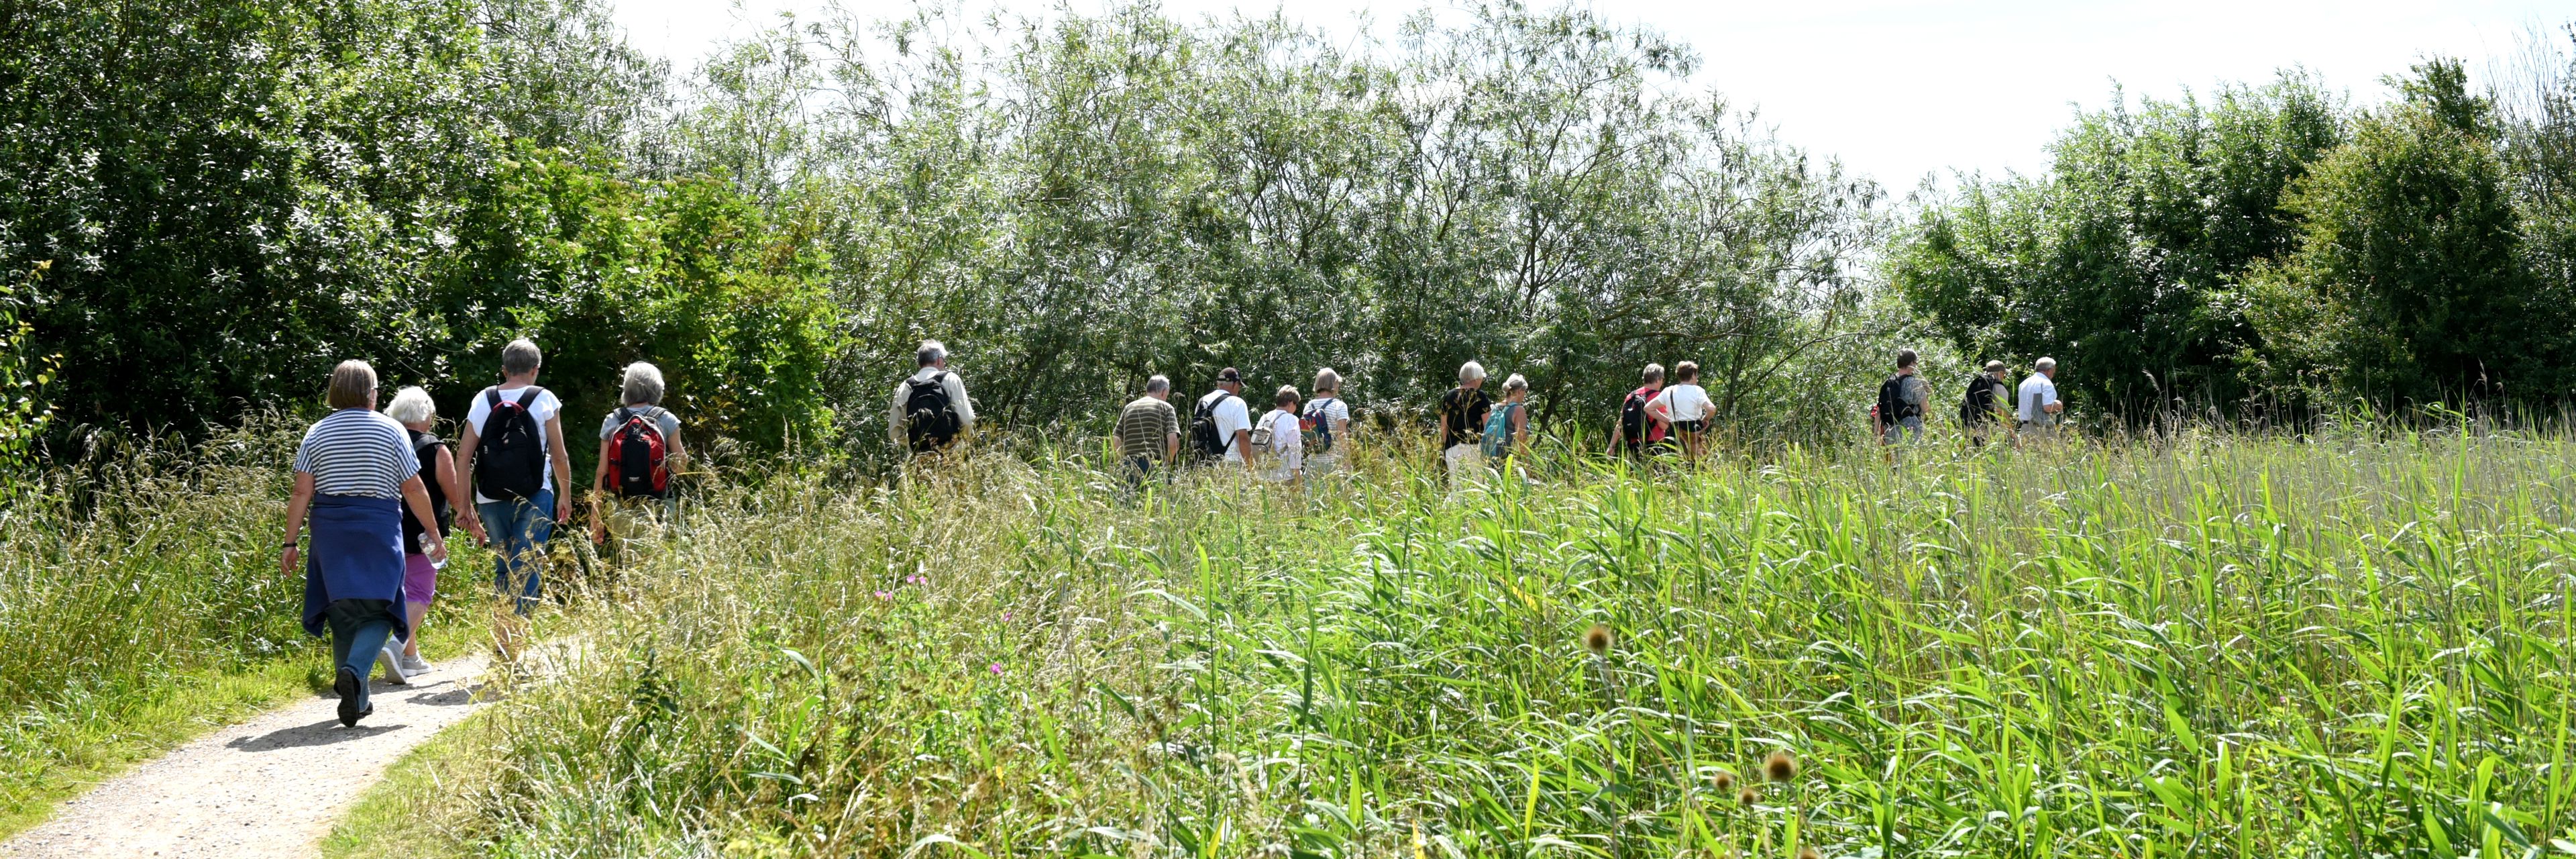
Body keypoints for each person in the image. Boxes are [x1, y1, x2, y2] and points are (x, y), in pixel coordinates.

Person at [280, 360, 449, 727]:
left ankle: (357, 698)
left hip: (330, 529)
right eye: (375, 390)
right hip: (377, 527)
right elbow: (413, 487)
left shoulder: (317, 432)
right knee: (382, 610)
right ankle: (355, 671)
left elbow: (301, 491)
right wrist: (432, 530)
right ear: (369, 394)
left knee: (342, 612)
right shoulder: (391, 431)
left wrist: (289, 543)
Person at [458, 338, 574, 662]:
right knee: (527, 569)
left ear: (505, 369)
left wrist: (464, 507)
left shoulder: (484, 399)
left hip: (490, 498)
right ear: (535, 370)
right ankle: (510, 653)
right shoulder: (544, 399)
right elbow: (560, 456)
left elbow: (463, 456)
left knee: (503, 568)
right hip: (535, 495)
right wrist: (565, 494)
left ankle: (503, 641)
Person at [383, 386, 479, 676]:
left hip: (386, 528)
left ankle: (410, 659)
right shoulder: (435, 448)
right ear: (426, 414)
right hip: (425, 531)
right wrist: (474, 523)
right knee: (421, 592)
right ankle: (396, 645)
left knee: (400, 592)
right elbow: (456, 497)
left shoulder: (386, 442)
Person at [592, 362, 684, 564]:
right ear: (657, 388)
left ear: (627, 389)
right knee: (656, 564)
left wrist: (595, 517)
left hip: (620, 506)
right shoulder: (667, 419)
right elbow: (680, 467)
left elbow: (602, 472)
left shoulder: (612, 420)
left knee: (631, 562)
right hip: (659, 506)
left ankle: (633, 595)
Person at [890, 340, 975, 456]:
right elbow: (966, 420)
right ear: (940, 360)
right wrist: (961, 442)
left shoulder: (905, 387)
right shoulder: (951, 379)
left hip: (919, 458)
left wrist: (914, 445)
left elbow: (894, 432)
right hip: (952, 454)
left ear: (920, 362)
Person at [1114, 374, 1181, 491]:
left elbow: (1116, 440)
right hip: (1155, 466)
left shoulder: (1129, 407)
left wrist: (1125, 461)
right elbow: (1173, 444)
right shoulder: (1167, 408)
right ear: (1164, 392)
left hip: (1129, 466)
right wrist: (1168, 461)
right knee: (1156, 505)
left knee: (1128, 505)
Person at [1191, 368, 1258, 474]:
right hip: (1230, 464)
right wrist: (1250, 468)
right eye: (1239, 386)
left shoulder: (1202, 401)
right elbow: (1243, 439)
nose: (1238, 389)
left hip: (1205, 464)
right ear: (1235, 384)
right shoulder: (1237, 403)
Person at [1438, 362, 1492, 488]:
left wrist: (1446, 445)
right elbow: (1488, 425)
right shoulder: (1480, 396)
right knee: (1479, 485)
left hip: (1453, 447)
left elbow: (1444, 427)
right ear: (1477, 377)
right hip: (1474, 447)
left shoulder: (1449, 396)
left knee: (1457, 486)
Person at [1647, 361, 1713, 459]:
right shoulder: (1698, 391)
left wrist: (1667, 420)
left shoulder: (1669, 390)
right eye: (1696, 375)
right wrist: (1706, 419)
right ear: (1693, 375)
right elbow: (1712, 408)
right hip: (1695, 429)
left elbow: (1648, 408)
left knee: (1676, 466)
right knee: (1698, 464)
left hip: (1674, 431)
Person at [1609, 363, 1668, 458]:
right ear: (1658, 380)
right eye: (1663, 379)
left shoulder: (1631, 396)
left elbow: (1620, 424)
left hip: (1633, 444)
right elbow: (1663, 425)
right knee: (1654, 473)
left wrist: (1612, 446)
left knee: (1635, 472)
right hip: (1653, 445)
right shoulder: (1658, 397)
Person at [1301, 368, 1352, 478]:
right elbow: (1343, 436)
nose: (1338, 386)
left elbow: (1306, 436)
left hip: (1313, 462)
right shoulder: (1339, 406)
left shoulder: (1309, 406)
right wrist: (1347, 463)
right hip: (1334, 462)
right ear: (1333, 384)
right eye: (1337, 383)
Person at [1876, 349, 1929, 446]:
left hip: (1890, 432)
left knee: (1894, 460)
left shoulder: (1889, 382)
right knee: (1910, 460)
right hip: (1911, 431)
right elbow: (1926, 409)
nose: (1916, 366)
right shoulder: (1915, 383)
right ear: (1911, 363)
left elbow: (1879, 411)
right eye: (1916, 363)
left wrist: (1875, 436)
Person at [1956, 360, 2014, 447]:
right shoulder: (1999, 388)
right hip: (1988, 433)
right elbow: (2002, 413)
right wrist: (2013, 435)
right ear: (2001, 373)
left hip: (1970, 428)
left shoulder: (1978, 385)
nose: (2004, 377)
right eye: (2004, 375)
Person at [1256, 385, 1305, 485]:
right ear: (1291, 403)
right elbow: (1295, 450)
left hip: (1264, 475)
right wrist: (1297, 477)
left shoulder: (1265, 417)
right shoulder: (1291, 419)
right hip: (1285, 475)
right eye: (1296, 405)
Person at [1481, 373, 1532, 466]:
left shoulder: (1495, 407)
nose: (1525, 394)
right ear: (1520, 391)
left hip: (1492, 460)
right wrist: (1527, 468)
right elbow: (1522, 442)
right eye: (1525, 391)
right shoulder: (1519, 410)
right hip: (1510, 462)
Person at [2018, 356, 2064, 438]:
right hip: (2040, 429)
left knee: (2028, 451)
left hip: (2025, 428)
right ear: (2049, 371)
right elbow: (2048, 407)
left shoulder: (2024, 383)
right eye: (2053, 372)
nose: (2053, 375)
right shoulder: (2046, 383)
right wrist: (2058, 405)